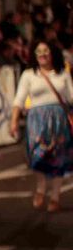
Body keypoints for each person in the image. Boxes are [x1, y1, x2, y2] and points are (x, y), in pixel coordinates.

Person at [10, 41, 73, 212]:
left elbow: (71, 97)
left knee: (59, 158)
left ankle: (55, 197)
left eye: (46, 51)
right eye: (39, 52)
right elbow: (19, 100)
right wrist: (14, 120)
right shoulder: (29, 74)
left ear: (53, 53)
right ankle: (40, 187)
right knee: (36, 156)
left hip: (58, 120)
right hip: (36, 121)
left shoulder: (63, 74)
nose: (42, 54)